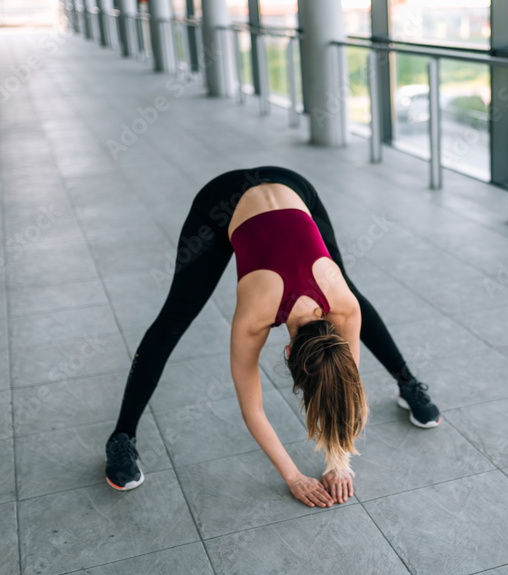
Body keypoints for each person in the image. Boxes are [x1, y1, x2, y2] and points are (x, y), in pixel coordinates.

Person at [104, 166, 440, 507]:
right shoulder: (254, 316)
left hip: (293, 187)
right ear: (289, 349)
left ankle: (407, 382)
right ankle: (121, 436)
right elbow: (253, 410)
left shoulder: (344, 306)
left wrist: (340, 463)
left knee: (350, 287)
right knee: (174, 318)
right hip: (222, 201)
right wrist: (293, 477)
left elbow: (346, 386)